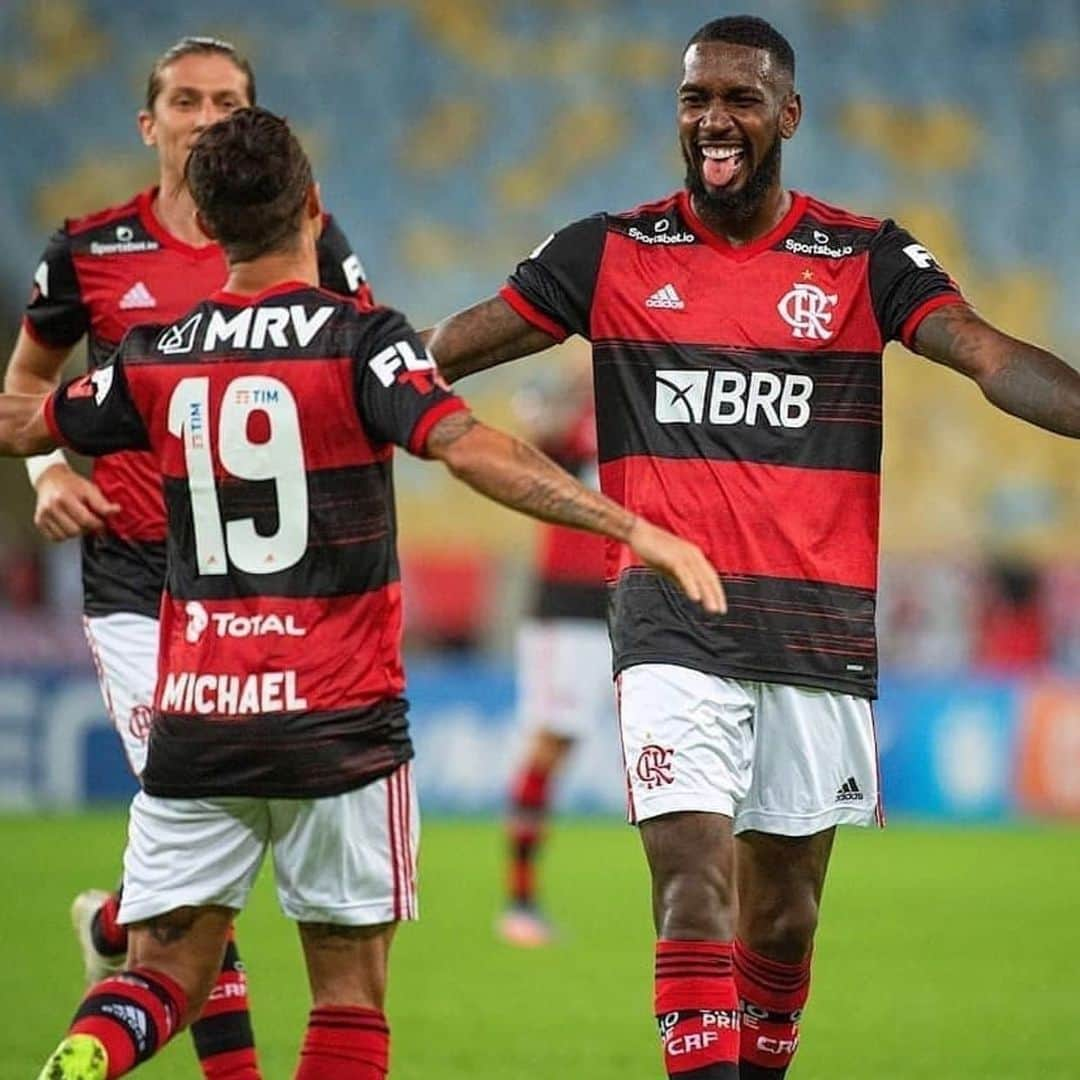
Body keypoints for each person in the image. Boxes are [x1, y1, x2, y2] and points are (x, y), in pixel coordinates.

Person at [0, 105, 722, 1080]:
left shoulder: (154, 355)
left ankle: (79, 1058)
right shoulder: (362, 340)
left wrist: (43, 454)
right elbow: (471, 450)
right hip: (339, 722)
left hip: (198, 716)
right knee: (347, 997)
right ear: (313, 208)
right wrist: (632, 526)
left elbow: (30, 423)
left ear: (206, 228)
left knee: (163, 969)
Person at [424, 15, 1080, 1078]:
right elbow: (442, 352)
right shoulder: (607, 252)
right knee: (691, 888)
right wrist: (349, 384)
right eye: (695, 101)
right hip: (671, 620)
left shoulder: (864, 255)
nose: (714, 120)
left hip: (815, 630)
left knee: (782, 924)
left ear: (789, 114)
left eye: (739, 99)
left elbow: (990, 356)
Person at [5, 36, 374, 1080]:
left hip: (266, 592)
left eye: (225, 102)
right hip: (137, 584)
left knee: (215, 836)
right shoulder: (88, 251)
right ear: (149, 121)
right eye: (184, 100)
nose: (204, 117)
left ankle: (121, 923)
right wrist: (47, 477)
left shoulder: (311, 238)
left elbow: (354, 363)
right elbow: (27, 389)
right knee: (211, 829)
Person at [497, 356, 613, 947]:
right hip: (566, 605)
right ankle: (518, 900)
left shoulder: (650, 408)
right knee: (550, 742)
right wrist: (572, 387)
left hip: (627, 601)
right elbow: (534, 439)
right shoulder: (578, 418)